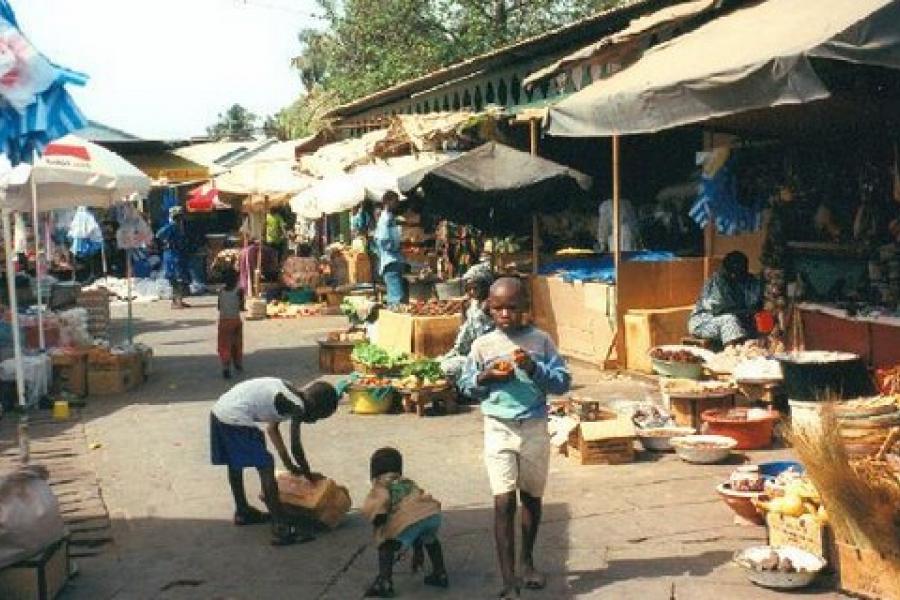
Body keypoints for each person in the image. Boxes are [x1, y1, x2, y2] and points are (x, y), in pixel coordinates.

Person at [459, 277, 571, 600]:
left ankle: (527, 562)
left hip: (534, 426)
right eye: (498, 308)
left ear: (525, 307)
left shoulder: (541, 341)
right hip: (498, 427)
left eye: (512, 307)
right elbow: (466, 385)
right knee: (503, 500)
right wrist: (486, 376)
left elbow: (562, 382)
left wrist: (535, 368)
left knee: (531, 497)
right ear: (488, 308)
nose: (505, 314)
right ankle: (508, 577)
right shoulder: (482, 345)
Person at [209, 377, 338, 546]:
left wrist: (290, 465)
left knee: (236, 462)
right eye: (318, 417)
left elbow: (272, 430)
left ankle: (243, 511)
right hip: (234, 416)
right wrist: (308, 474)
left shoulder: (289, 391)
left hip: (220, 411)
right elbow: (296, 446)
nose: (313, 422)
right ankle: (281, 528)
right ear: (315, 406)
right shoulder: (297, 406)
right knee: (266, 465)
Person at [361, 447, 448, 598]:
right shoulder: (408, 482)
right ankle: (440, 573)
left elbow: (378, 506)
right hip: (431, 513)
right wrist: (418, 551)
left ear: (374, 473)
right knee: (430, 540)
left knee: (386, 546)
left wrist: (379, 523)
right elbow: (417, 516)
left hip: (411, 519)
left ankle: (385, 582)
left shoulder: (381, 486)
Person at [688, 250, 763, 347]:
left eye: (739, 272)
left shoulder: (751, 281)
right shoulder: (716, 282)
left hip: (739, 321)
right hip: (705, 323)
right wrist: (747, 312)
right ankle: (732, 355)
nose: (734, 275)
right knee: (729, 320)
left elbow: (755, 305)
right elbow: (721, 311)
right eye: (732, 272)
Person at [438, 263, 494, 383]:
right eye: (469, 289)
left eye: (476, 288)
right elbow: (465, 334)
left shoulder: (492, 305)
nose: (472, 292)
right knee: (440, 363)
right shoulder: (472, 304)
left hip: (487, 357)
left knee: (448, 368)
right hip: (470, 352)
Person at [374, 191, 407, 306]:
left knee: (397, 295)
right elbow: (383, 240)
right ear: (387, 202)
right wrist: (394, 247)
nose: (397, 204)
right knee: (396, 298)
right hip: (390, 261)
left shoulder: (391, 218)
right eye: (395, 201)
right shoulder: (385, 219)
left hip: (395, 260)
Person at [156, 206, 190, 309]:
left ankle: (178, 300)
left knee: (180, 278)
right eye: (180, 216)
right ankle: (176, 301)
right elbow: (159, 235)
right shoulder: (172, 226)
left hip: (178, 254)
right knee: (176, 278)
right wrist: (168, 242)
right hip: (172, 255)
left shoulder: (180, 226)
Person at [217, 269, 244, 379]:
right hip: (236, 320)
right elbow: (242, 306)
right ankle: (237, 363)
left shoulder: (221, 291)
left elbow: (218, 307)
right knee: (237, 343)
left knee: (224, 345)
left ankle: (226, 366)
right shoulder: (239, 291)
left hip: (223, 321)